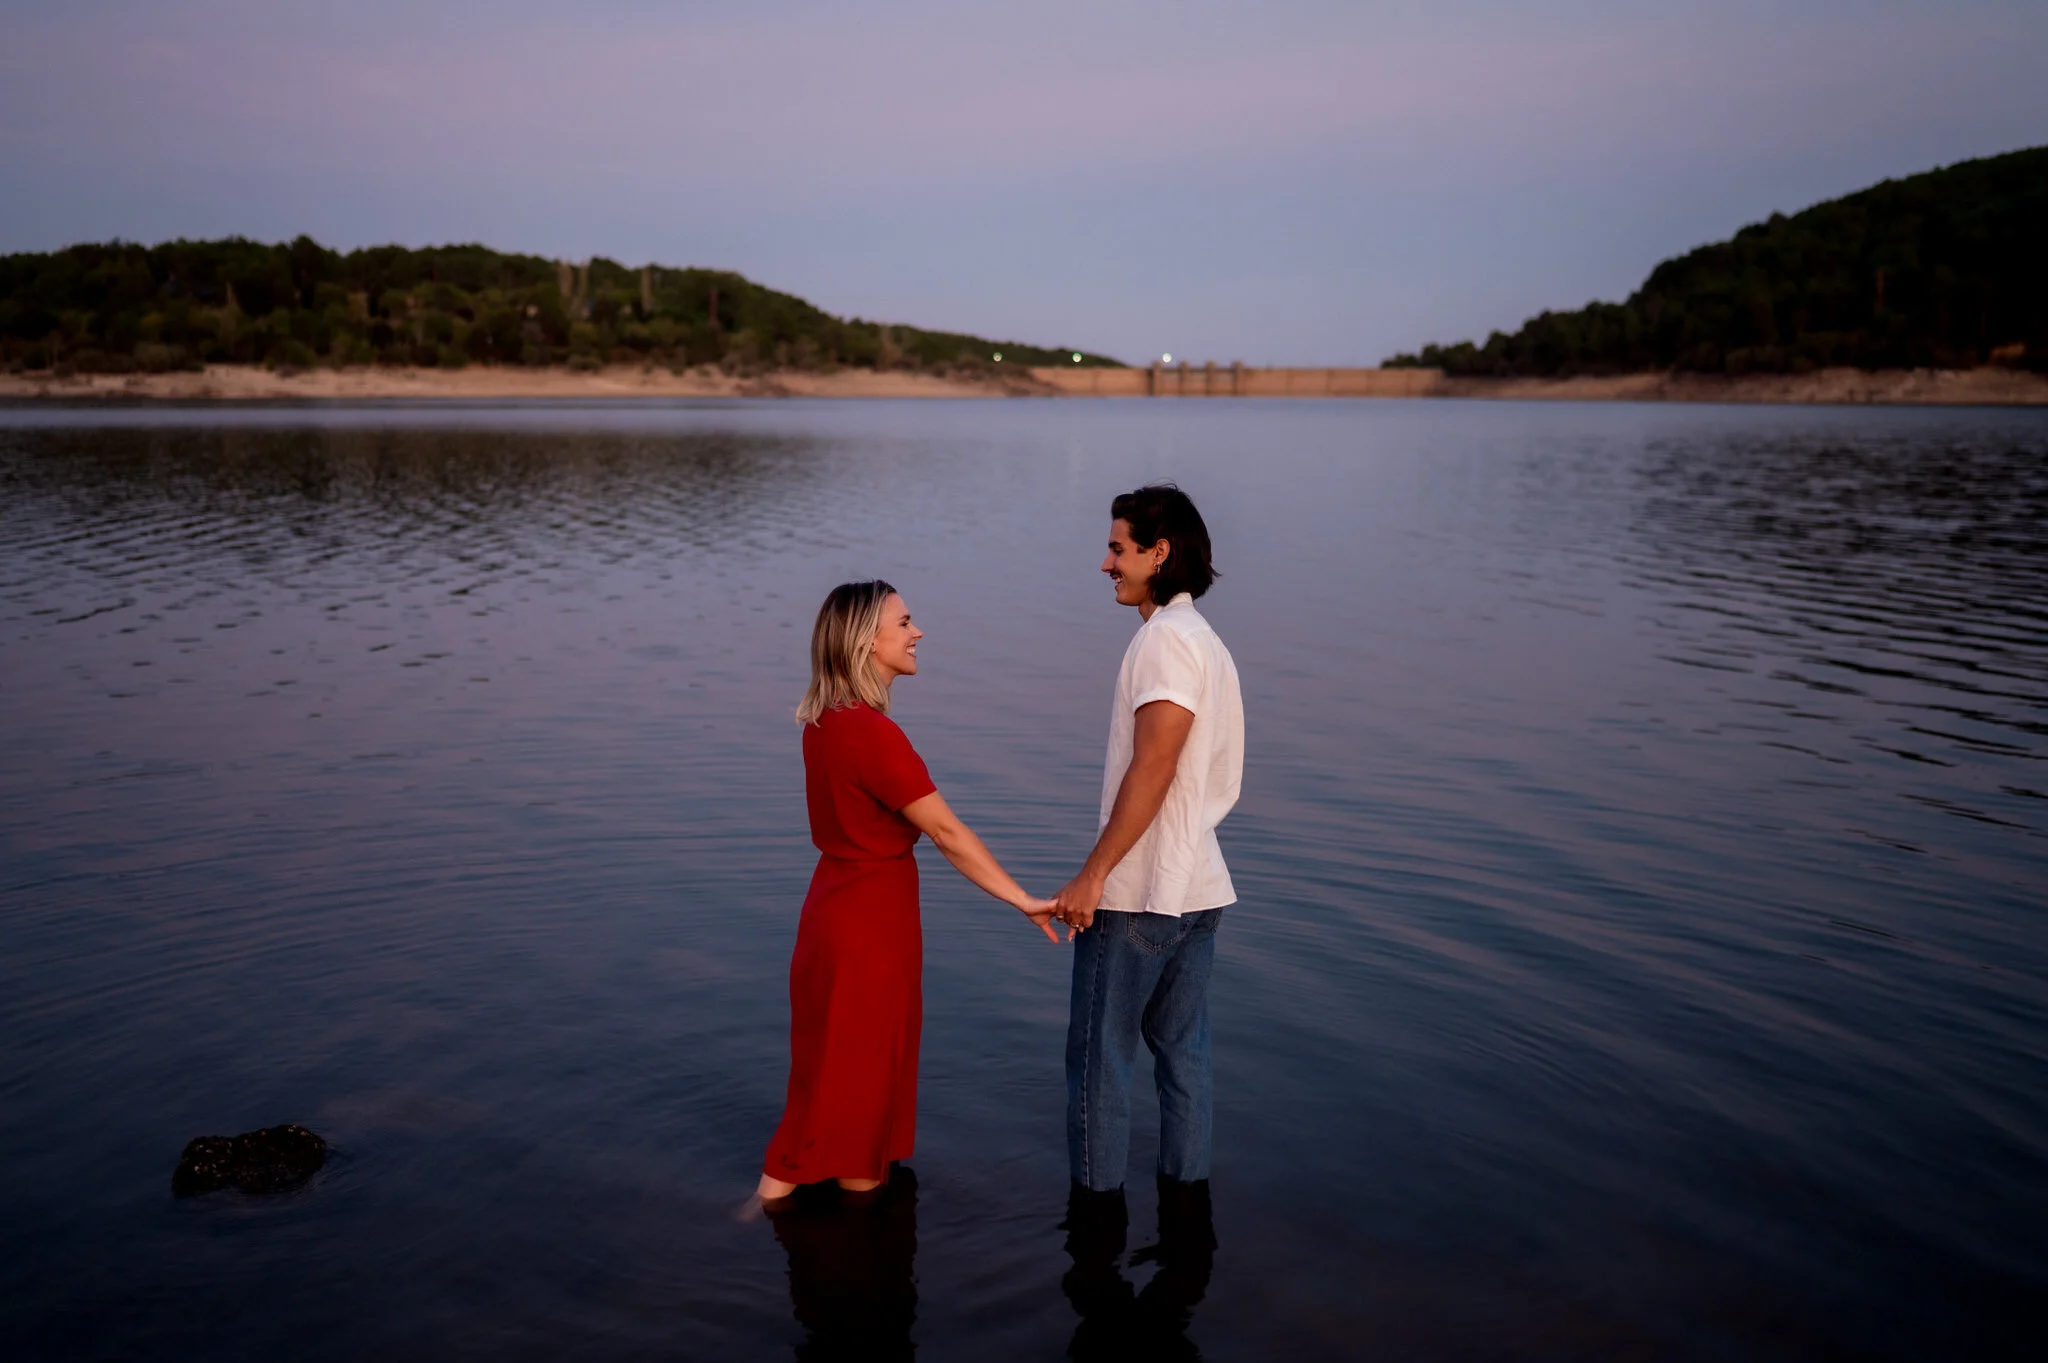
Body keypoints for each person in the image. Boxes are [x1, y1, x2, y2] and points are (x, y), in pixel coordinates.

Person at [756, 581, 1058, 1206]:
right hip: (870, 927)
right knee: (864, 1078)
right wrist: (1022, 898)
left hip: (830, 913)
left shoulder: (824, 723)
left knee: (823, 1075)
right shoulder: (870, 733)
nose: (918, 632)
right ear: (869, 640)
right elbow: (947, 832)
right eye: (906, 622)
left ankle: (764, 1207)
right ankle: (862, 1252)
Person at [1052, 485, 1243, 1196]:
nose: (1106, 564)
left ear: (1159, 553)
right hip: (1199, 885)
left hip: (1141, 894)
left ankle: (1095, 1229)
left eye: (1117, 548)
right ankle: (1186, 1214)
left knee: (1101, 1060)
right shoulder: (1205, 641)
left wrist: (1092, 875)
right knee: (1183, 1056)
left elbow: (1155, 762)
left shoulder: (1164, 641)